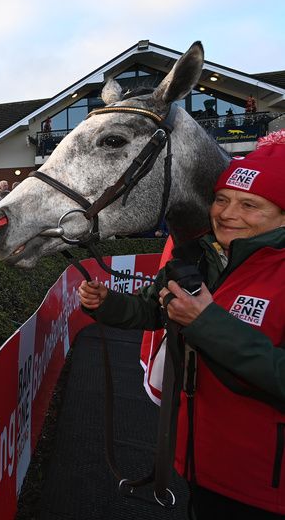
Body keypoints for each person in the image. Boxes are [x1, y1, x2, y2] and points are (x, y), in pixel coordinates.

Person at [77, 131, 285, 518]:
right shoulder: (199, 258)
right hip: (199, 463)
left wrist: (206, 323)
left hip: (265, 488)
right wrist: (107, 305)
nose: (227, 213)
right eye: (221, 199)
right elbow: (153, 311)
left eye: (250, 205)